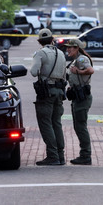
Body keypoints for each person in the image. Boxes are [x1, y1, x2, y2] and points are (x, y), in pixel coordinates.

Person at [30, 28, 67, 166]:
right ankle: (60, 155)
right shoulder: (61, 53)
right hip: (59, 92)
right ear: (52, 40)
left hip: (46, 93)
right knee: (56, 123)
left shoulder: (40, 53)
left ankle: (52, 155)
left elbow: (34, 72)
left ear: (40, 42)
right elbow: (64, 74)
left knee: (46, 123)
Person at [64, 38, 94, 165]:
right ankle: (84, 154)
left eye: (71, 47)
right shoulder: (76, 60)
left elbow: (91, 70)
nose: (68, 49)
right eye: (68, 47)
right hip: (77, 96)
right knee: (78, 126)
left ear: (77, 48)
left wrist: (79, 72)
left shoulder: (82, 59)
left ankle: (86, 155)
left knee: (81, 126)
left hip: (82, 97)